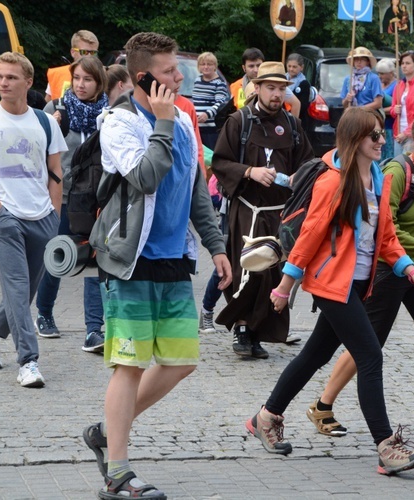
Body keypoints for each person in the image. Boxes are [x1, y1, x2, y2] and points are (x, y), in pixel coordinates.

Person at [81, 32, 232, 500]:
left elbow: (194, 192)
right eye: (169, 72)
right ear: (144, 76)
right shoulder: (119, 122)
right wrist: (163, 123)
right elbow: (146, 177)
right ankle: (118, 473)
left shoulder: (184, 125)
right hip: (127, 261)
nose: (180, 77)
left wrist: (216, 246)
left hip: (172, 260)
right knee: (129, 365)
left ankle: (107, 430)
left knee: (181, 361)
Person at [246, 107, 414, 476]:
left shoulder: (379, 178)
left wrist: (408, 268)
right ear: (353, 139)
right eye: (373, 136)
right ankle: (386, 447)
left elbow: (387, 236)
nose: (382, 141)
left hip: (358, 283)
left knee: (314, 354)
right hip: (332, 283)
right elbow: (311, 237)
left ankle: (265, 417)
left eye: (382, 134)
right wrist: (285, 286)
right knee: (370, 357)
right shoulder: (333, 182)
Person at [305, 98, 414, 449]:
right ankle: (322, 406)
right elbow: (384, 228)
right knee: (366, 346)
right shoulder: (395, 172)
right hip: (388, 272)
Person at [212, 62, 314, 359]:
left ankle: (256, 331)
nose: (277, 94)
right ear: (256, 88)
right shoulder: (239, 121)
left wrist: (299, 176)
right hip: (248, 210)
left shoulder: (292, 124)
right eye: (270, 87)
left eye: (282, 88)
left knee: (273, 273)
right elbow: (220, 162)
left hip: (280, 213)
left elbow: (308, 162)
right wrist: (249, 172)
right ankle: (242, 328)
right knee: (249, 268)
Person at [0, 52, 67, 387]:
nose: (3, 82)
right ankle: (28, 361)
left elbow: (56, 172)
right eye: (1, 77)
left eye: (11, 77)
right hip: (6, 218)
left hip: (42, 217)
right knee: (17, 288)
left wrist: (54, 217)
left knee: (26, 290)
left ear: (28, 82)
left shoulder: (45, 122)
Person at [34, 56, 109, 353]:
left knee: (95, 260)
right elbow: (36, 150)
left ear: (99, 82)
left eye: (87, 79)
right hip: (63, 197)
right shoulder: (56, 110)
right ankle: (44, 313)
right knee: (58, 257)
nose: (80, 84)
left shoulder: (110, 112)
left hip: (97, 199)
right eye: (77, 78)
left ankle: (93, 330)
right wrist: (49, 129)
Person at [229, 48, 301, 117]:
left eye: (259, 65)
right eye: (251, 66)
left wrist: (292, 127)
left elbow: (296, 104)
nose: (256, 70)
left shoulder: (276, 85)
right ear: (244, 68)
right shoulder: (235, 86)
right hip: (244, 124)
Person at [45, 30, 99, 102]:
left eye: (93, 53)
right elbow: (47, 106)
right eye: (84, 52)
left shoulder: (103, 76)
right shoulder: (57, 74)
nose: (89, 56)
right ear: (73, 52)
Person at [192, 52, 229, 150]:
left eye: (209, 64)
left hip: (210, 129)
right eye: (203, 64)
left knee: (210, 158)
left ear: (215, 66)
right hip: (196, 127)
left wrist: (207, 114)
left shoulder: (219, 83)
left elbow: (220, 103)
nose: (206, 67)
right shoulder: (197, 80)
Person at [376, 58, 397, 162]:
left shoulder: (397, 86)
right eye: (379, 73)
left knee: (388, 155)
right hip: (380, 126)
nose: (380, 76)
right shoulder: (379, 85)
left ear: (391, 73)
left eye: (383, 73)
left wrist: (380, 110)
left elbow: (397, 106)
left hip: (390, 127)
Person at [286, 53, 312, 122]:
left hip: (296, 119)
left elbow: (302, 107)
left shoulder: (304, 84)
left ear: (301, 67)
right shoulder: (283, 79)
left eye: (294, 67)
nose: (291, 69)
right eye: (289, 66)